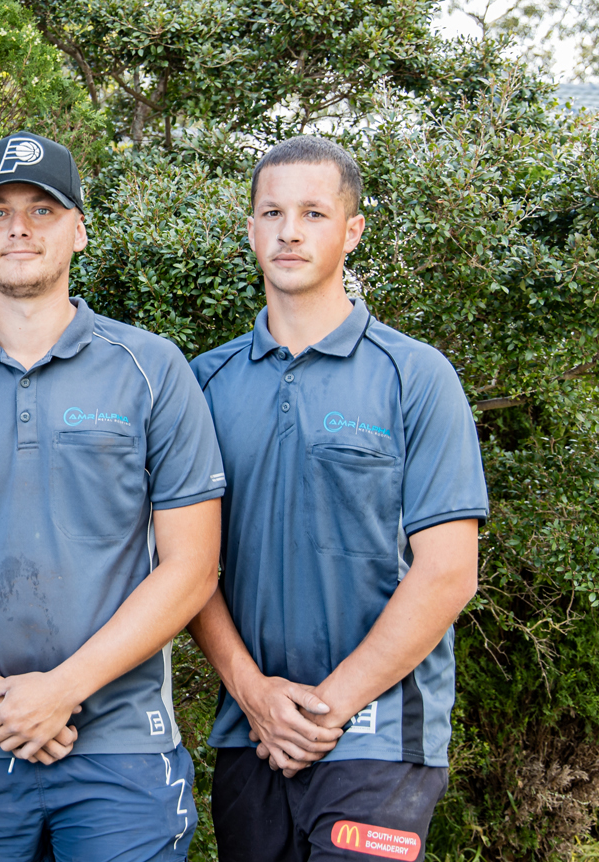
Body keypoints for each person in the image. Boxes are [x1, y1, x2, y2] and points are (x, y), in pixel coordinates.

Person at [0, 131, 224, 862]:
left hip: (121, 751)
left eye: (42, 209)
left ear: (79, 230)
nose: (19, 228)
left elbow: (192, 569)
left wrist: (62, 690)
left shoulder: (151, 369)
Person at [188, 136, 487, 860]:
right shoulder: (202, 385)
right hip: (251, 736)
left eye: (314, 212)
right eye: (273, 212)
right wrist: (255, 695)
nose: (290, 230)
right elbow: (184, 568)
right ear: (251, 228)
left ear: (352, 231)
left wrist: (326, 709)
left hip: (381, 740)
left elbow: (448, 572)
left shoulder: (415, 376)